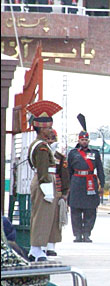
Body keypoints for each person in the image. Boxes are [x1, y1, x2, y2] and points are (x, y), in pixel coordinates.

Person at [25, 101, 62, 262]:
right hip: (44, 183)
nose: (49, 130)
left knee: (45, 217)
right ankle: (36, 249)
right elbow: (42, 170)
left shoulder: (43, 146)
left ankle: (38, 249)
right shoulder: (41, 147)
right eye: (47, 128)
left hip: (45, 181)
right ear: (40, 128)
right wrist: (47, 188)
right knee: (41, 217)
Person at [67, 114, 105, 244]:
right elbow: (69, 171)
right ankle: (77, 234)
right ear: (79, 140)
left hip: (90, 183)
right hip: (77, 182)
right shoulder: (73, 153)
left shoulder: (95, 153)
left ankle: (87, 233)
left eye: (86, 140)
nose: (84, 142)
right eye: (82, 140)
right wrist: (68, 186)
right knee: (76, 210)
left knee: (90, 210)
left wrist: (102, 184)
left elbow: (100, 169)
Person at [46, 129, 69, 256]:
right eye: (48, 139)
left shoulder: (60, 157)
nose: (50, 141)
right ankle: (41, 245)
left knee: (55, 220)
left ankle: (51, 246)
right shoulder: (41, 153)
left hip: (56, 189)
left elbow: (64, 175)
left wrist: (64, 193)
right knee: (43, 219)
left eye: (53, 139)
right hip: (43, 188)